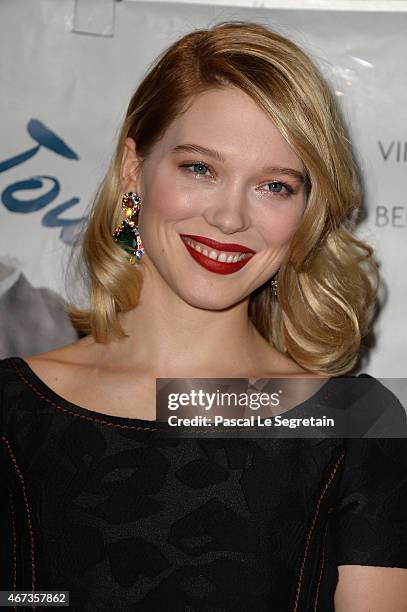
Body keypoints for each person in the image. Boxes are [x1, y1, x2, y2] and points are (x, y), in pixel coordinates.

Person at [1, 20, 406, 611]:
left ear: (307, 210)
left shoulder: (354, 425)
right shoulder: (14, 411)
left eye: (275, 186)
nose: (229, 217)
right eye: (200, 168)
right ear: (135, 168)